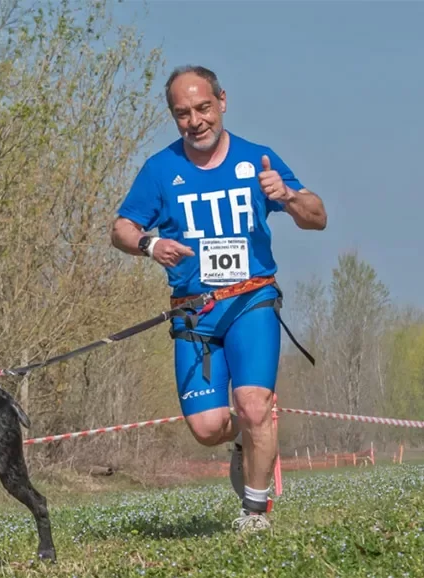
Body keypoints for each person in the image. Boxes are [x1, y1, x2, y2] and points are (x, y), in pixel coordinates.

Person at [110, 65, 327, 533]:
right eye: (182, 113)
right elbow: (121, 228)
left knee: (254, 404)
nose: (195, 121)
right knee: (207, 428)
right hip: (195, 314)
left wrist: (287, 196)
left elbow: (317, 217)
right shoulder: (160, 169)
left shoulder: (257, 160)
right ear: (174, 116)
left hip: (252, 301)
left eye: (203, 108)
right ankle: (243, 442)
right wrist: (150, 245)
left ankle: (254, 512)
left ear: (222, 101)